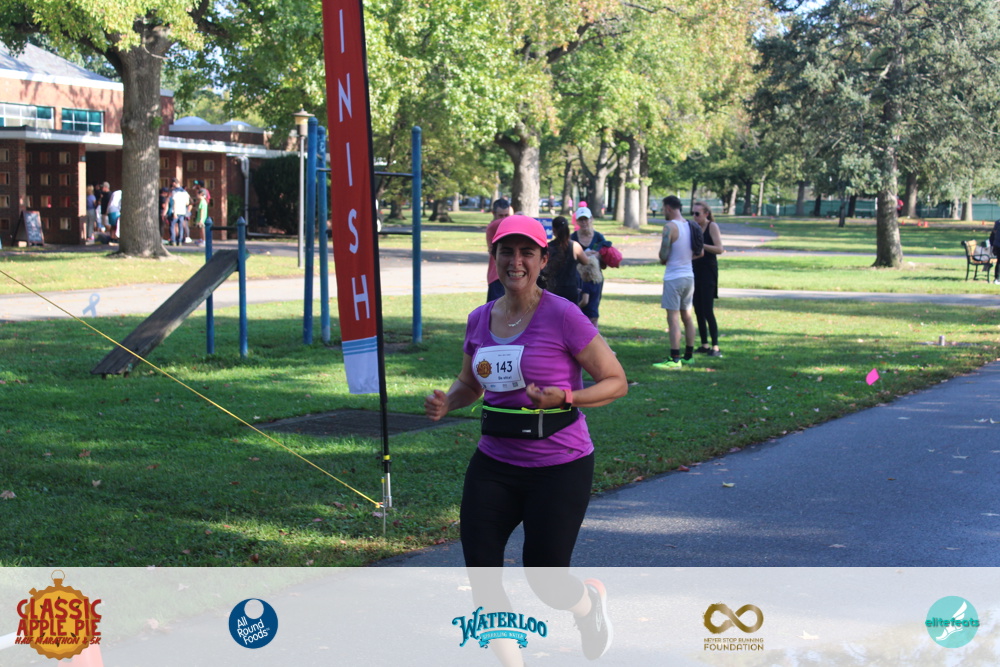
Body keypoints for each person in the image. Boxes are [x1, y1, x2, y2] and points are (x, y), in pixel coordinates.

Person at [424, 215, 627, 662]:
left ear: (542, 260)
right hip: (494, 464)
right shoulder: (479, 319)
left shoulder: (563, 315)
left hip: (560, 465)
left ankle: (587, 606)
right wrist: (447, 402)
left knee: (546, 579)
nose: (515, 261)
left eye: (526, 253)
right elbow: (470, 384)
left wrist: (566, 396)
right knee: (482, 575)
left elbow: (616, 381)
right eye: (506, 252)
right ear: (494, 258)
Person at [653, 195, 702, 369]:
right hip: (689, 276)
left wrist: (663, 258)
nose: (662, 212)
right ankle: (689, 355)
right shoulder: (691, 225)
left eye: (663, 208)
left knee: (673, 318)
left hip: (674, 277)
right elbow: (698, 251)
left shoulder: (670, 227)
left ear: (668, 208)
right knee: (687, 316)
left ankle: (674, 359)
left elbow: (663, 255)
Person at [691, 201, 725, 356]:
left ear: (706, 214)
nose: (695, 216)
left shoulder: (712, 226)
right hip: (695, 270)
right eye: (693, 213)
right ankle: (704, 344)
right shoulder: (694, 227)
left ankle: (715, 346)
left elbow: (719, 249)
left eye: (697, 213)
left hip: (708, 271)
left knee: (707, 309)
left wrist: (701, 245)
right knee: (698, 308)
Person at [570, 206, 607, 327]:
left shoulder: (599, 237)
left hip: (595, 280)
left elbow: (605, 260)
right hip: (578, 279)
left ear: (591, 219)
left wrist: (598, 255)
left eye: (586, 219)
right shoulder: (573, 238)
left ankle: (595, 335)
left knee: (593, 312)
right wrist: (582, 255)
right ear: (577, 221)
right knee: (578, 310)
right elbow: (567, 258)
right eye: (581, 220)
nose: (584, 222)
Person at [542, 215, 587, 302]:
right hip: (570, 289)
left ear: (553, 230)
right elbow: (586, 262)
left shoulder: (548, 247)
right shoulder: (574, 246)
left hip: (553, 289)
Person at [484, 198, 512, 302]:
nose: (504, 219)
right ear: (493, 213)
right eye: (501, 215)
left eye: (506, 215)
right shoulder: (494, 226)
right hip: (497, 277)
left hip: (508, 275)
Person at [168, 179, 191, 246]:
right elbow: (187, 202)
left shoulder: (175, 192)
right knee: (181, 227)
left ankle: (173, 240)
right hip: (182, 211)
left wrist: (174, 212)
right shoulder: (185, 192)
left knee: (172, 226)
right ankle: (180, 241)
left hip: (176, 211)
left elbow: (174, 203)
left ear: (174, 183)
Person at [990, 218, 1000, 284]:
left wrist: (992, 244)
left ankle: (997, 278)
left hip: (996, 245)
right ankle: (997, 279)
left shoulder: (997, 222)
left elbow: (992, 236)